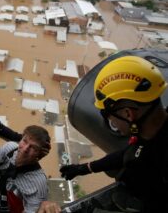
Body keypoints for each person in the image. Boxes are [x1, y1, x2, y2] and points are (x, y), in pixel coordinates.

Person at [60, 56, 168, 212]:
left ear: (127, 114)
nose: (112, 124)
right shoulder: (152, 131)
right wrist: (85, 168)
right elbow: (129, 153)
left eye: (107, 116)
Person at [0, 125, 60, 213]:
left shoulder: (38, 183)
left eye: (33, 147)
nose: (25, 149)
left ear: (39, 154)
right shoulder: (8, 149)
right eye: (24, 141)